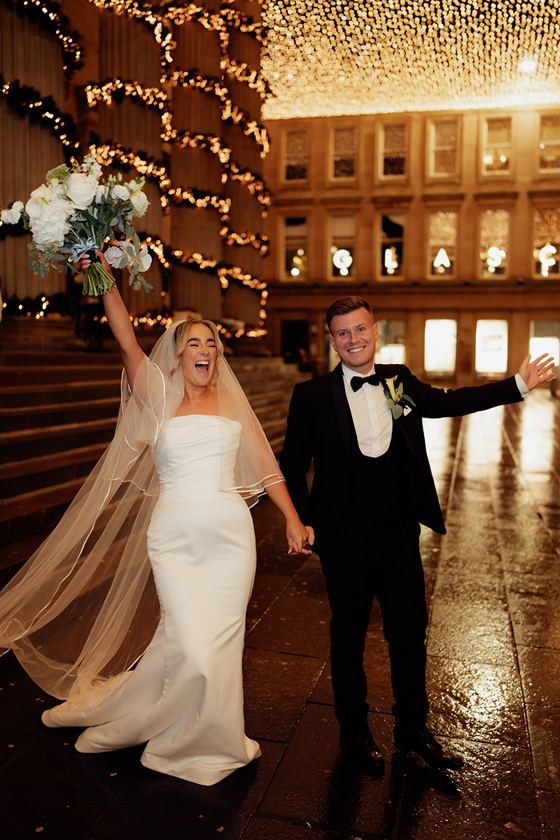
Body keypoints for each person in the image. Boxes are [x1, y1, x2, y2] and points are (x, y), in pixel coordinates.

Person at [0, 251, 310, 786]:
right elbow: (124, 339)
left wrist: (291, 519)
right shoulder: (158, 395)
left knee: (222, 642)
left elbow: (266, 468)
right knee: (188, 639)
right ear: (177, 353)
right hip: (175, 537)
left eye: (212, 343)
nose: (206, 350)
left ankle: (211, 738)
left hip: (231, 538)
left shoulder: (232, 403)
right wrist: (103, 274)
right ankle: (155, 720)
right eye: (195, 342)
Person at [279, 295, 555, 774]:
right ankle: (354, 732)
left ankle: (412, 727)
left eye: (360, 329)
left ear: (375, 331)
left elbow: (448, 403)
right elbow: (292, 463)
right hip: (343, 540)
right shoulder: (312, 395)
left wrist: (517, 385)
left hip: (400, 536)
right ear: (331, 340)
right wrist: (300, 520)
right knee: (347, 638)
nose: (353, 339)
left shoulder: (395, 381)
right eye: (343, 333)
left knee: (409, 635)